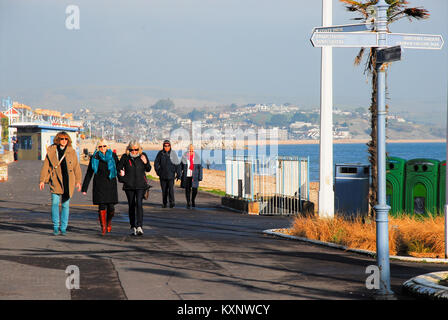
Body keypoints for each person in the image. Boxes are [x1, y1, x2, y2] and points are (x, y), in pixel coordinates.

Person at [39, 132, 82, 235]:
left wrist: (78, 181)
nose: (64, 141)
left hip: (68, 181)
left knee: (65, 205)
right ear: (58, 140)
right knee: (54, 203)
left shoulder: (71, 151)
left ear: (68, 141)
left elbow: (76, 167)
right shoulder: (51, 151)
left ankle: (63, 227)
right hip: (55, 180)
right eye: (62, 139)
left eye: (66, 139)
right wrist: (42, 180)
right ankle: (55, 226)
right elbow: (46, 166)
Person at [81, 139, 119, 235]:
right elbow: (89, 173)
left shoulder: (113, 156)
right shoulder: (95, 157)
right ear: (98, 148)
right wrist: (84, 188)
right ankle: (103, 227)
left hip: (111, 185)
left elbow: (118, 168)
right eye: (100, 147)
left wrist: (124, 178)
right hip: (99, 185)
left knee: (111, 208)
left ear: (107, 147)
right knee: (101, 206)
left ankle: (109, 222)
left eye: (104, 146)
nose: (102, 148)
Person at [117, 140, 151, 236]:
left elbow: (148, 169)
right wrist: (122, 178)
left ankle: (139, 226)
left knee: (139, 204)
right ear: (129, 149)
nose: (134, 151)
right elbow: (118, 168)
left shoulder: (143, 155)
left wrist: (145, 162)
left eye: (136, 149)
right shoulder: (125, 157)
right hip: (129, 185)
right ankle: (133, 226)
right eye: (132, 149)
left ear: (139, 149)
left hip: (141, 185)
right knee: (131, 205)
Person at [154, 140, 181, 208]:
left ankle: (172, 202)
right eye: (165, 146)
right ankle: (164, 202)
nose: (166, 147)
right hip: (162, 175)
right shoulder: (160, 153)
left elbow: (177, 164)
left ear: (170, 146)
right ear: (163, 146)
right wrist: (158, 172)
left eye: (168, 145)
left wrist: (178, 174)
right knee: (164, 190)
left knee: (171, 190)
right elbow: (156, 163)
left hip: (171, 175)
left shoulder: (173, 153)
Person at [181, 144, 203, 209]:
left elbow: (200, 167)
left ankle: (193, 199)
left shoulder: (197, 157)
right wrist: (179, 174)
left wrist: (200, 176)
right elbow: (181, 166)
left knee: (195, 190)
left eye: (192, 150)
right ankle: (188, 202)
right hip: (187, 175)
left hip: (195, 176)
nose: (191, 151)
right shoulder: (184, 156)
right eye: (190, 150)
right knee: (187, 190)